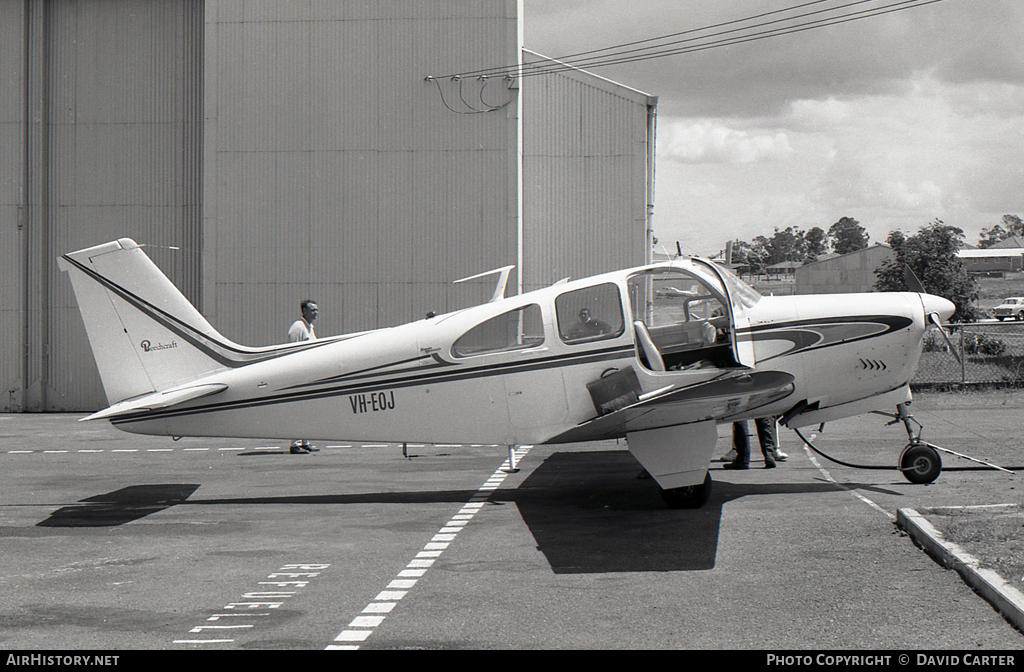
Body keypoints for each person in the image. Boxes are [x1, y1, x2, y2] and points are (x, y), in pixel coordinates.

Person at [288, 300, 320, 454]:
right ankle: (294, 444)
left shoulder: (310, 327)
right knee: (298, 410)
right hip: (299, 375)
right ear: (304, 311)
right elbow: (293, 352)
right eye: (312, 310)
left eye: (316, 310)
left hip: (309, 374)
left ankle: (305, 442)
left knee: (309, 409)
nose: (315, 313)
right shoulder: (298, 328)